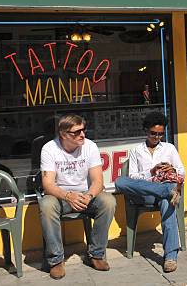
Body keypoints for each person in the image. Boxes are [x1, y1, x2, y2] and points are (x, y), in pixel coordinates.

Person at [39, 114, 117, 280]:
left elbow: (98, 181)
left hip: (84, 196)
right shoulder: (49, 149)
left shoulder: (90, 146)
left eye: (84, 129)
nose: (82, 134)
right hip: (60, 197)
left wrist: (88, 196)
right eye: (77, 132)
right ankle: (56, 260)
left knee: (108, 201)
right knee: (46, 205)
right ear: (64, 135)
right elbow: (48, 184)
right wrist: (68, 196)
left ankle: (96, 254)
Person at [114, 112, 185, 273]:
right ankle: (166, 190)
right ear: (146, 130)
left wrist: (172, 168)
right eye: (153, 133)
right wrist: (151, 172)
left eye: (160, 134)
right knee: (120, 181)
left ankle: (171, 257)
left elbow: (182, 172)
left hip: (164, 196)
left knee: (167, 202)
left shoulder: (169, 148)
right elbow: (132, 177)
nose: (157, 137)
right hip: (145, 193)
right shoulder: (136, 150)